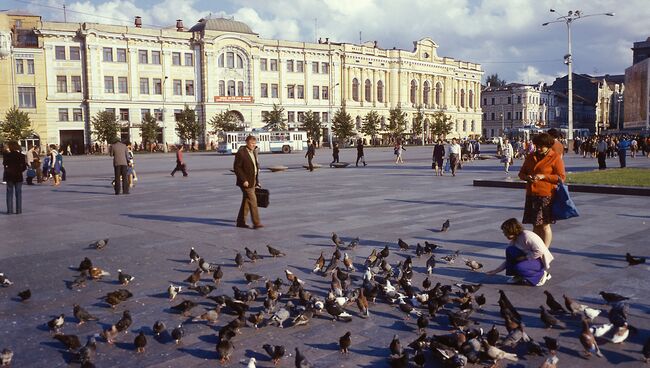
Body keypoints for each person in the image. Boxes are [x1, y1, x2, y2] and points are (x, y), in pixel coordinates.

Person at [518, 133, 565, 249]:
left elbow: (561, 178)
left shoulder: (555, 158)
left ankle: (545, 250)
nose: (538, 148)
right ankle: (536, 248)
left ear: (548, 146)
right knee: (535, 224)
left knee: (544, 225)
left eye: (541, 146)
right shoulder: (531, 156)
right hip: (532, 194)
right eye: (536, 146)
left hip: (546, 195)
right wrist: (527, 177)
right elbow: (521, 173)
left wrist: (543, 176)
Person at [485, 218, 554, 286]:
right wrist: (496, 270)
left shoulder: (527, 236)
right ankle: (518, 276)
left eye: (505, 232)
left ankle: (540, 275)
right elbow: (509, 260)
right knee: (510, 250)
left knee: (519, 267)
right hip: (530, 258)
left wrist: (524, 257)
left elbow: (540, 251)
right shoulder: (515, 240)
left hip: (540, 261)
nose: (504, 234)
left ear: (512, 230)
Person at [233, 135, 263, 229]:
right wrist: (244, 180)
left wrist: (257, 181)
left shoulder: (253, 152)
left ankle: (240, 222)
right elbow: (237, 167)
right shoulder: (241, 153)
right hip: (245, 182)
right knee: (253, 201)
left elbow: (255, 167)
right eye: (251, 143)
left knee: (246, 201)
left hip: (252, 180)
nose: (253, 145)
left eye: (254, 143)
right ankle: (256, 223)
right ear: (247, 143)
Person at [3, 141, 27, 214]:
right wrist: (19, 171)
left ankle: (10, 210)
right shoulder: (21, 155)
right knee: (18, 193)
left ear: (10, 147)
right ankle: (18, 210)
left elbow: (5, 165)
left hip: (9, 176)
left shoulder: (7, 155)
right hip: (18, 176)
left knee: (9, 193)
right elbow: (24, 167)